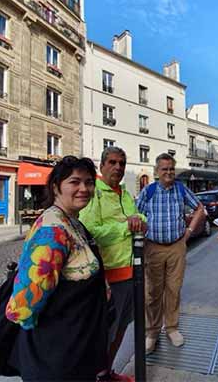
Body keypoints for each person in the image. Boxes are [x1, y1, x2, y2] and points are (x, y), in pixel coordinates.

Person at [5, 156, 109, 382]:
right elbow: (22, 306)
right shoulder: (52, 231)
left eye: (89, 182)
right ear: (56, 187)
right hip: (56, 356)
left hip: (76, 350)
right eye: (75, 182)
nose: (84, 188)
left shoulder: (72, 221)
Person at [79, 147, 146, 382]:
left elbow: (138, 216)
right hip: (108, 278)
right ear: (102, 165)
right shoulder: (94, 193)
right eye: (113, 162)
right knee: (103, 334)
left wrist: (139, 221)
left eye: (122, 163)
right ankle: (96, 376)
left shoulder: (124, 193)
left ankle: (107, 373)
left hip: (131, 274)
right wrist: (125, 227)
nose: (118, 167)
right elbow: (90, 232)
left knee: (121, 329)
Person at [136, 153, 205, 354]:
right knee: (152, 293)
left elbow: (200, 208)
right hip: (153, 247)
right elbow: (136, 215)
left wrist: (189, 231)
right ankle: (152, 332)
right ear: (157, 171)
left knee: (174, 290)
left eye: (171, 169)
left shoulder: (181, 189)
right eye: (164, 169)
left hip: (177, 246)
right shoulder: (148, 191)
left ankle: (172, 328)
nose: (168, 172)